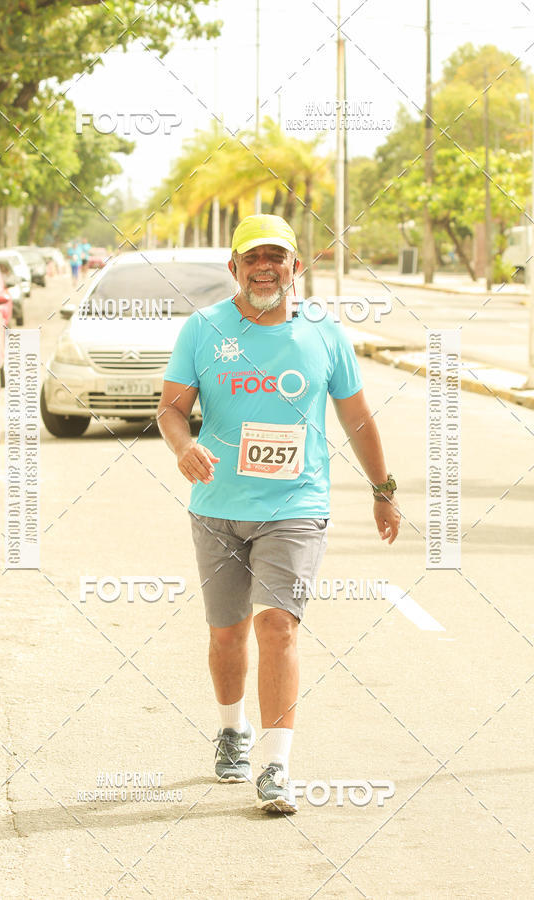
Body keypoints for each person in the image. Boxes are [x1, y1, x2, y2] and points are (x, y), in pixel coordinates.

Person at [157, 214, 400, 814]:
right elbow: (170, 409)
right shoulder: (203, 329)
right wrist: (185, 445)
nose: (266, 267)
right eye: (253, 257)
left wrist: (382, 487)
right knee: (227, 631)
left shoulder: (324, 334)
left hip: (296, 504)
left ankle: (276, 765)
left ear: (296, 267)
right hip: (217, 506)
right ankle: (231, 728)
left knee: (278, 626)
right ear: (234, 268)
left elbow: (356, 418)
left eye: (278, 257)